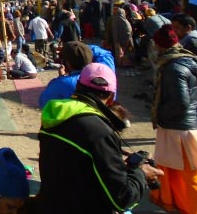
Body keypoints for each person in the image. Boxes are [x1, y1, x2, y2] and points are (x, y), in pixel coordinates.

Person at [39, 63, 161, 213]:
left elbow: (75, 166)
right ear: (111, 98)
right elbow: (121, 199)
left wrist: (114, 161)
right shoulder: (99, 131)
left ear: (78, 87)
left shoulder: (55, 116)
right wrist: (141, 173)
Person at [150, 24, 197, 213]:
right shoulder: (179, 62)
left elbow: (181, 103)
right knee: (172, 169)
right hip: (177, 126)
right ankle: (177, 204)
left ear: (160, 46)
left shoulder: (174, 67)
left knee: (187, 173)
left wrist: (162, 115)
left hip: (179, 128)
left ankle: (195, 209)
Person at [38, 41, 93, 109]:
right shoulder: (99, 78)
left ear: (67, 63)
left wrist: (61, 79)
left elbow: (44, 103)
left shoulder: (61, 83)